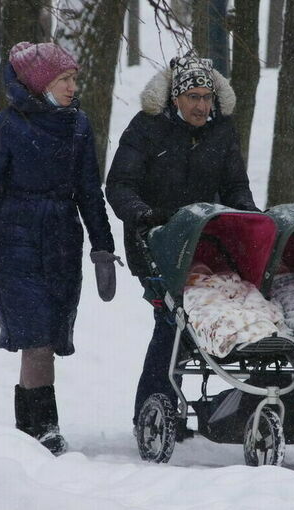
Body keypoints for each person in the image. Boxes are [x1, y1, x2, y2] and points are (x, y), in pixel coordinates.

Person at [0, 42, 121, 455]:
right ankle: (45, 429)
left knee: (51, 336)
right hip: (16, 242)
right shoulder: (7, 127)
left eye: (74, 79)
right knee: (36, 336)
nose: (73, 87)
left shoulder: (77, 126)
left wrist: (102, 247)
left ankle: (29, 430)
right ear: (42, 82)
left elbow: (89, 193)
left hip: (62, 242)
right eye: (65, 79)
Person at [105, 52, 259, 433]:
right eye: (194, 97)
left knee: (211, 319)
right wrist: (142, 214)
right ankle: (153, 408)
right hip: (156, 242)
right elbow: (120, 183)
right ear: (175, 98)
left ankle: (237, 403)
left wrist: (250, 216)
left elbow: (235, 185)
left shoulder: (221, 131)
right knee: (171, 323)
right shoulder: (146, 128)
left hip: (209, 245)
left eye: (207, 98)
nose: (202, 106)